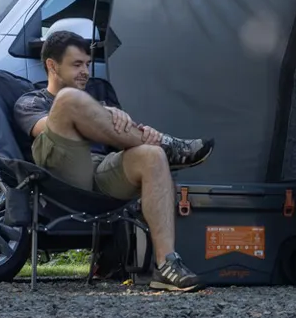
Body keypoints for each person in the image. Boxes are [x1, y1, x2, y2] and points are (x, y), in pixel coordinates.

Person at [12, 29, 214, 293]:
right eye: (77, 64)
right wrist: (100, 112)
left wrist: (141, 132)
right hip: (60, 173)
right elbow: (45, 129)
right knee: (69, 99)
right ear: (52, 65)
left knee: (152, 156)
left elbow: (120, 138)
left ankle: (166, 265)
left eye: (87, 64)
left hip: (99, 171)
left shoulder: (99, 100)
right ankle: (169, 145)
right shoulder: (30, 101)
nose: (85, 71)